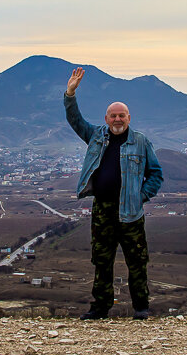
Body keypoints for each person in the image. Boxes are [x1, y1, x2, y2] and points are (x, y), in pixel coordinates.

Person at [64, 66, 164, 319]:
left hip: (130, 211)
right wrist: (70, 94)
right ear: (106, 118)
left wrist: (140, 196)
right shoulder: (96, 136)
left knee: (137, 261)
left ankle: (141, 308)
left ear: (129, 118)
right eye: (113, 116)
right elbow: (75, 120)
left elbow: (155, 174)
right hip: (103, 210)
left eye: (122, 116)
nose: (117, 119)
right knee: (102, 260)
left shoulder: (141, 141)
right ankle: (99, 308)